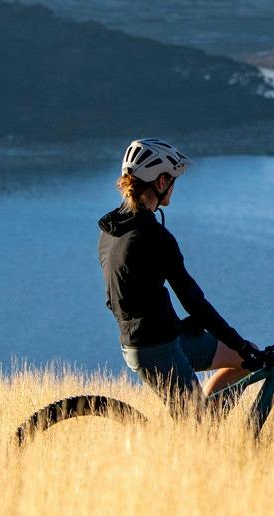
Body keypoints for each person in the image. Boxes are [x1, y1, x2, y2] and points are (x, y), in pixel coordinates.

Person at [97, 138, 265, 416]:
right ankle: (201, 436)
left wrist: (179, 326)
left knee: (242, 361)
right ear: (160, 182)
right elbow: (194, 301)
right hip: (156, 349)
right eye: (173, 179)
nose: (175, 186)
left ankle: (208, 427)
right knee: (198, 423)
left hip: (156, 338)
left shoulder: (111, 230)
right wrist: (239, 342)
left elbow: (123, 297)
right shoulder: (153, 237)